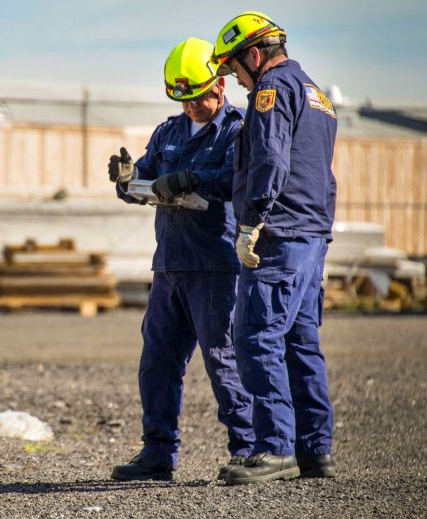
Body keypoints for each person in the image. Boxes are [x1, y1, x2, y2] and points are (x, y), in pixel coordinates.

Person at [108, 37, 254, 482]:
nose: (191, 107)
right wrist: (127, 179)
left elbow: (237, 178)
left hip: (215, 266)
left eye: (199, 98)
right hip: (169, 265)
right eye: (184, 100)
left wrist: (193, 178)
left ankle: (248, 449)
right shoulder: (168, 131)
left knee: (222, 359)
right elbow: (144, 181)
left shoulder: (237, 129)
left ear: (220, 88)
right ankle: (157, 453)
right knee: (157, 362)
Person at [210, 11, 338, 485]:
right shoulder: (317, 95)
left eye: (235, 70)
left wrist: (250, 222)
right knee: (301, 342)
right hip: (311, 235)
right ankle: (314, 451)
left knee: (256, 337)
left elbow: (269, 158)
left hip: (278, 235)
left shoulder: (271, 91)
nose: (238, 82)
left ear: (255, 55)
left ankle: (275, 448)